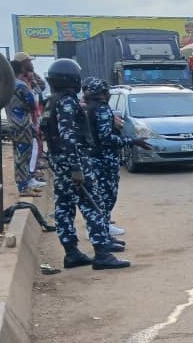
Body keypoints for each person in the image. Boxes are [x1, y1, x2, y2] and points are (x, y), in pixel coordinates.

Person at [40, 59, 129, 270]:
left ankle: (72, 253)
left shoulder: (51, 101)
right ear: (71, 79)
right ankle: (102, 254)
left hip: (59, 161)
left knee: (64, 206)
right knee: (93, 205)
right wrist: (76, 168)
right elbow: (68, 136)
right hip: (75, 161)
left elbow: (46, 133)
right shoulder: (67, 102)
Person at [82, 78, 151, 244]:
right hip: (104, 159)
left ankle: (103, 228)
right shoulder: (101, 108)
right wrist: (132, 141)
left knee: (101, 196)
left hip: (95, 158)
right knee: (107, 196)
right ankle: (100, 232)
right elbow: (106, 139)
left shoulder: (90, 108)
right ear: (103, 93)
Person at [5, 60, 42, 197]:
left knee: (18, 155)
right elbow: (32, 104)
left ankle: (23, 184)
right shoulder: (21, 86)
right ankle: (24, 187)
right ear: (22, 71)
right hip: (23, 125)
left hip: (12, 124)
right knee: (24, 156)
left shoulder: (6, 86)